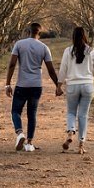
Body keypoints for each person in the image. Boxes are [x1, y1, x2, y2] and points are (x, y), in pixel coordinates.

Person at [5, 22, 59, 152]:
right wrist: (58, 85)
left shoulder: (19, 44)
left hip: (22, 85)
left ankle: (20, 133)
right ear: (39, 33)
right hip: (36, 86)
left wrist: (8, 83)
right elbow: (51, 70)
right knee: (32, 113)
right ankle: (29, 144)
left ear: (28, 32)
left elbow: (12, 64)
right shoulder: (44, 47)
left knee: (16, 111)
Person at [57, 26, 94, 155]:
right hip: (88, 86)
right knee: (83, 115)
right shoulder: (91, 51)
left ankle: (71, 132)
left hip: (72, 86)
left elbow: (63, 69)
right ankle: (81, 145)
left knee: (71, 112)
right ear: (85, 36)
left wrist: (59, 85)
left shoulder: (68, 51)